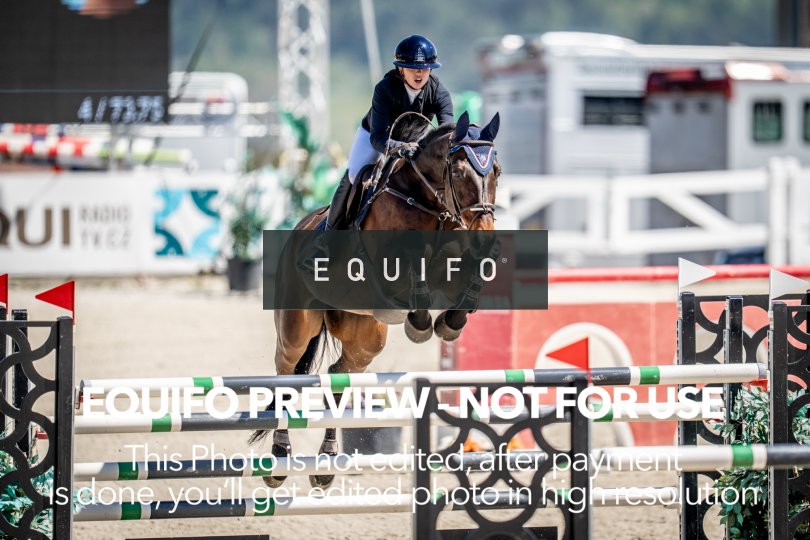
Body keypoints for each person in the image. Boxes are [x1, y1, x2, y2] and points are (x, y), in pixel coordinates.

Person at [324, 34, 454, 230]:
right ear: (401, 69)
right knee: (354, 175)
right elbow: (378, 137)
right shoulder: (384, 89)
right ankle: (330, 232)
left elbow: (447, 132)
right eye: (413, 68)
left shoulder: (439, 92)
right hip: (375, 137)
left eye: (424, 68)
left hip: (416, 140)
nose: (419, 74)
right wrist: (398, 148)